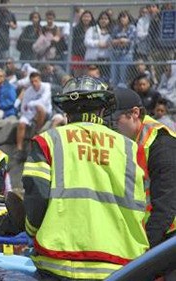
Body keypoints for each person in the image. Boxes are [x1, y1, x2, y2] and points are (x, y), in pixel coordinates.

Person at [24, 76, 149, 280]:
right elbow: (142, 205)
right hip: (120, 265)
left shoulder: (48, 141)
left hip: (60, 261)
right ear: (102, 110)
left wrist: (30, 230)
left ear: (66, 110)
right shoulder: (130, 149)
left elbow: (36, 196)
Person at [111, 87, 176, 248]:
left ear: (134, 113)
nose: (109, 128)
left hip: (166, 238)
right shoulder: (127, 140)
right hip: (146, 233)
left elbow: (166, 206)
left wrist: (144, 252)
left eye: (114, 121)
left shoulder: (161, 145)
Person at [15, 71, 52, 160]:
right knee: (21, 123)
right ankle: (19, 149)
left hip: (45, 112)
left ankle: (37, 131)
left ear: (40, 80)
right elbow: (24, 107)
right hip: (30, 114)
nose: (34, 83)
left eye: (36, 81)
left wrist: (31, 104)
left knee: (39, 108)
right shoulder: (28, 91)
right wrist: (29, 111)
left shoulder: (46, 87)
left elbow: (43, 101)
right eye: (32, 82)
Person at [110, 10, 136, 88]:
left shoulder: (132, 28)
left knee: (123, 77)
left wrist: (120, 41)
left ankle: (123, 93)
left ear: (128, 18)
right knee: (114, 76)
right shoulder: (116, 28)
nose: (122, 19)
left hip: (126, 55)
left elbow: (130, 41)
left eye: (124, 17)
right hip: (115, 55)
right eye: (121, 17)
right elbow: (112, 41)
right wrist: (121, 40)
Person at [84, 11, 112, 81]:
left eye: (106, 19)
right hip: (93, 59)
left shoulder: (112, 31)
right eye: (102, 19)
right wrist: (98, 43)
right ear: (98, 20)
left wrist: (108, 45)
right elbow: (86, 42)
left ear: (109, 20)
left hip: (106, 59)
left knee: (105, 78)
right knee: (93, 79)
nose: (103, 21)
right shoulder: (92, 29)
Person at [71, 10, 96, 77]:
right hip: (78, 55)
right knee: (77, 76)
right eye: (84, 16)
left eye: (88, 17)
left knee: (87, 76)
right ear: (81, 18)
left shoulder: (94, 29)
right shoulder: (76, 29)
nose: (86, 18)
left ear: (91, 18)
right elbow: (73, 43)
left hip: (89, 56)